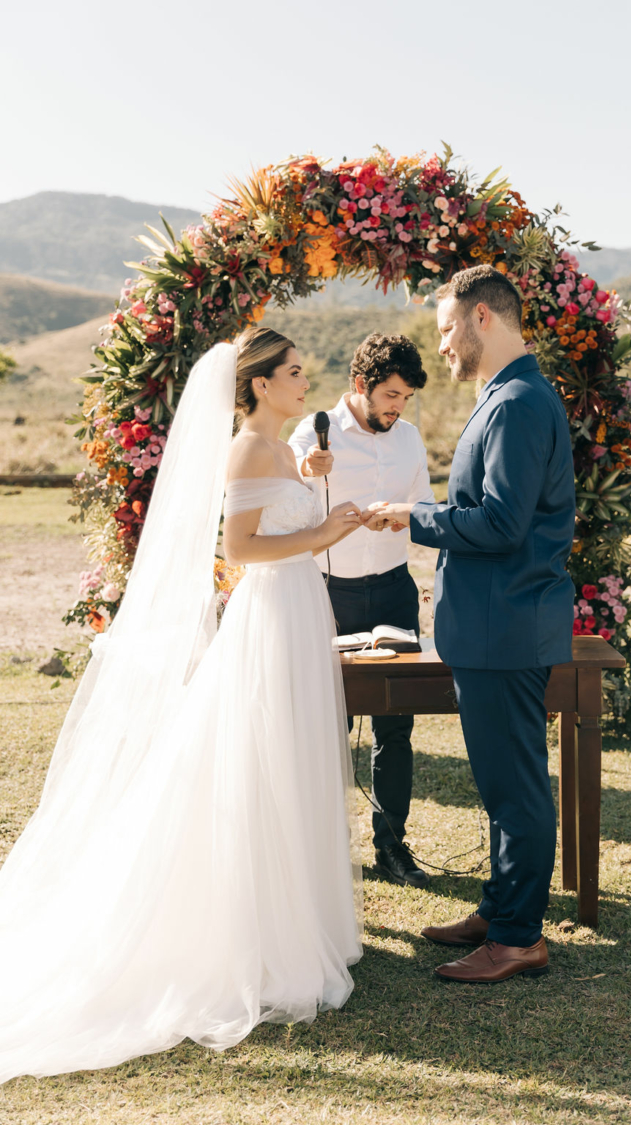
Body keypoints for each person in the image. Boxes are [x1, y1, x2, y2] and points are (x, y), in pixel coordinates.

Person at [0, 327, 366, 1084]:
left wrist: (312, 488)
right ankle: (258, 937)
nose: (307, 381)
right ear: (261, 383)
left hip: (298, 613)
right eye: (295, 372)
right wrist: (322, 529)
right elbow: (238, 550)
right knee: (261, 759)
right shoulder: (246, 449)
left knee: (290, 758)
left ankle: (293, 918)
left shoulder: (276, 449)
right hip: (272, 615)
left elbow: (278, 517)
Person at [371, 265, 576, 983]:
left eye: (447, 328)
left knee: (516, 790)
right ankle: (500, 906)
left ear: (484, 317)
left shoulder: (518, 404)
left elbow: (501, 523)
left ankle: (519, 936)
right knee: (500, 784)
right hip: (493, 625)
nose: (444, 345)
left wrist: (413, 517)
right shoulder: (508, 396)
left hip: (505, 627)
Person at [289, 333, 434, 889]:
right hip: (329, 594)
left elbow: (421, 505)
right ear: (360, 386)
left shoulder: (410, 439)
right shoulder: (315, 431)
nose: (398, 407)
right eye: (390, 395)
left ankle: (392, 848)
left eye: (406, 398)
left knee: (396, 728)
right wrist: (307, 467)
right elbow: (287, 491)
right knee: (328, 728)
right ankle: (322, 856)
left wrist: (403, 516)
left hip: (394, 590)